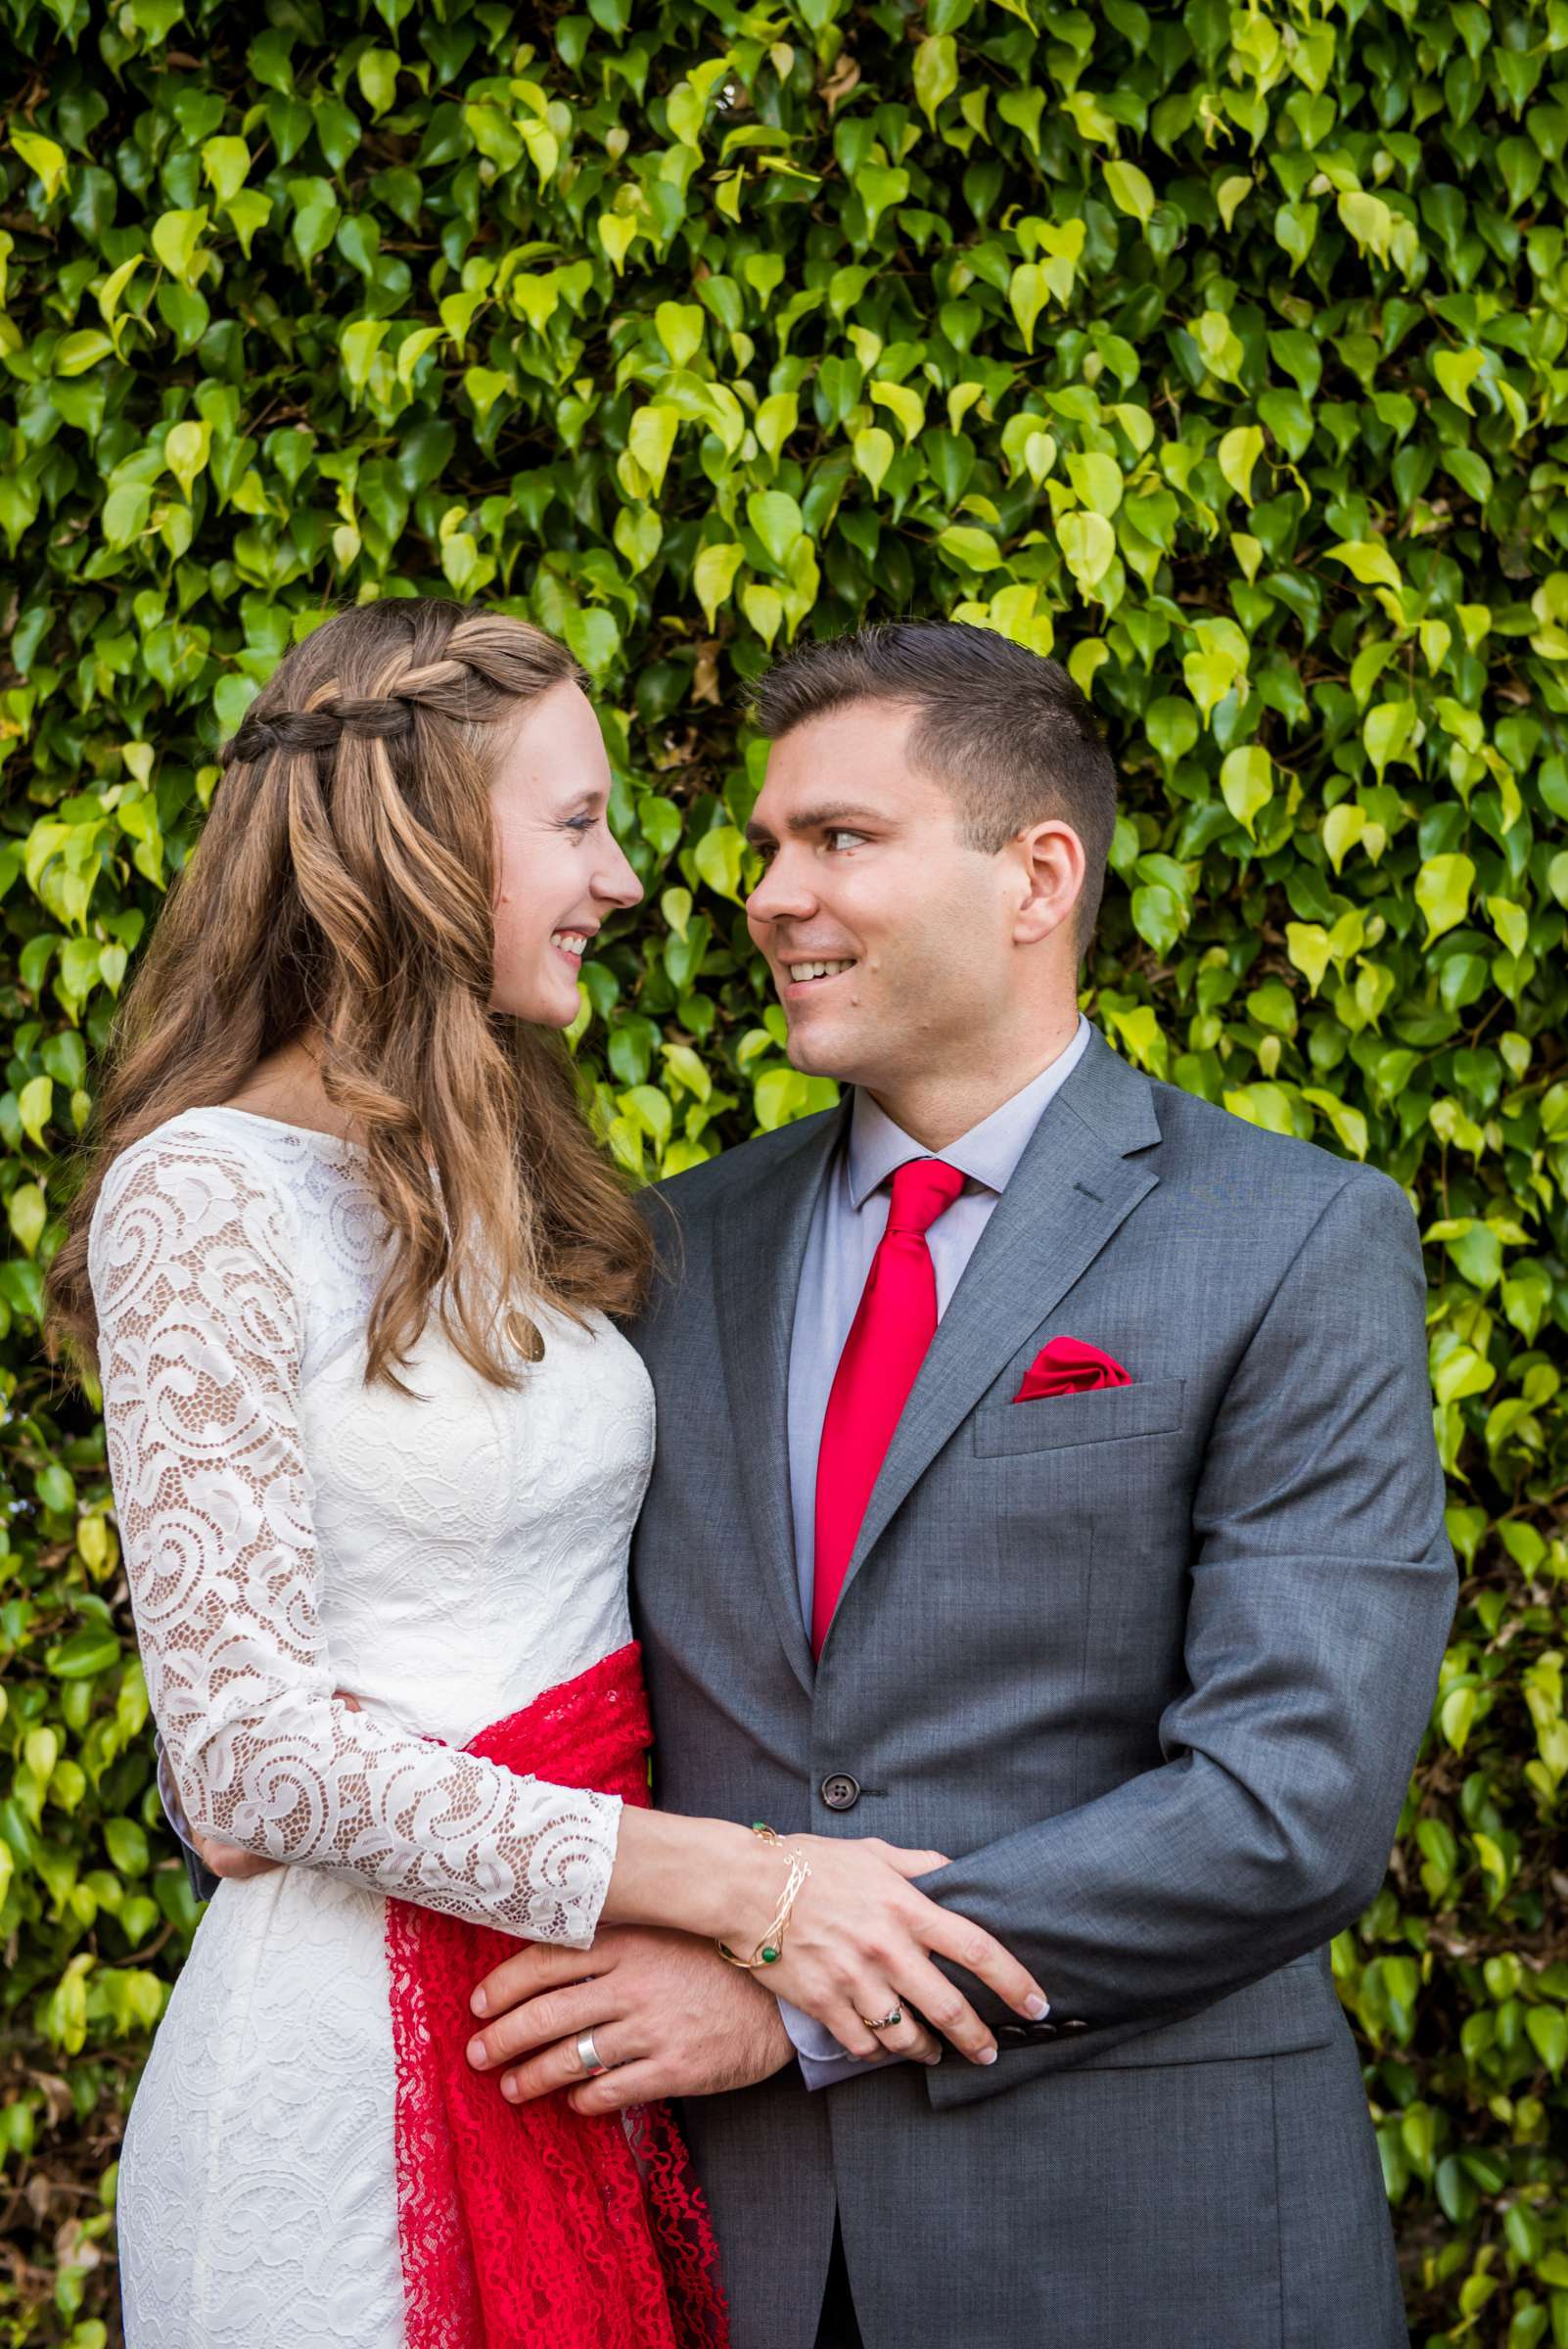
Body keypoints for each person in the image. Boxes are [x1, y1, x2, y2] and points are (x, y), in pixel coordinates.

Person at [42, 601, 1047, 2349]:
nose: (629, 881)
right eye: (574, 823)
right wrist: (743, 1883)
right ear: (417, 837)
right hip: (349, 2067)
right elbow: (247, 1754)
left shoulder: (515, 1179)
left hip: (586, 2037)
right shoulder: (203, 1191)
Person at [448, 620, 1458, 2349]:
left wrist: (793, 1991)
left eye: (837, 840)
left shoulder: (1291, 1240)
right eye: (767, 847)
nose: (768, 894)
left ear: (1035, 875)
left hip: (1147, 2236)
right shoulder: (668, 1245)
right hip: (729, 2243)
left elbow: (1290, 1801)